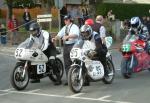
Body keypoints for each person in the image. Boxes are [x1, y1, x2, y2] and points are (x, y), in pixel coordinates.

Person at [52, 15, 80, 86]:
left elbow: (76, 35)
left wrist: (68, 36)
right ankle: (69, 79)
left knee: (75, 61)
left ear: (70, 20)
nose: (65, 21)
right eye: (64, 20)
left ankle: (78, 78)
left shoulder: (74, 27)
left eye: (67, 20)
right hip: (66, 45)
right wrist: (55, 38)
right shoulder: (64, 28)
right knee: (67, 63)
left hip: (73, 44)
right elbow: (59, 35)